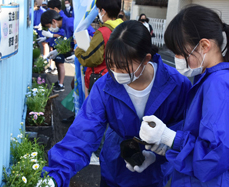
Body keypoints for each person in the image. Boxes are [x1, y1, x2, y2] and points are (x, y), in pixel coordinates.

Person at [39, 20, 191, 187]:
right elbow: (82, 133)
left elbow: (184, 129)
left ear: (146, 59)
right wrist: (55, 175)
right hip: (114, 168)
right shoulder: (104, 87)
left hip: (154, 174)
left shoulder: (177, 85)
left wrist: (159, 154)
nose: (116, 73)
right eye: (111, 65)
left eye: (123, 67)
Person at [139, 5, 229, 187]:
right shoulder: (210, 79)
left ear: (204, 46)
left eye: (180, 52)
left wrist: (170, 138)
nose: (177, 58)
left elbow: (215, 154)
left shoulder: (219, 84)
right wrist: (167, 146)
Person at [75, 0, 123, 98]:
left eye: (98, 10)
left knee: (94, 110)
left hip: (100, 79)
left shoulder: (103, 32)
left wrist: (78, 51)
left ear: (103, 11)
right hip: (119, 77)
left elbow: (90, 59)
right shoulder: (123, 28)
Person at [41, 10, 70, 92]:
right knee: (58, 64)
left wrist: (51, 35)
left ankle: (61, 84)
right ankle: (59, 82)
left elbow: (64, 35)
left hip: (60, 46)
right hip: (58, 46)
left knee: (60, 65)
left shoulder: (66, 24)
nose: (49, 28)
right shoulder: (60, 22)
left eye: (48, 26)